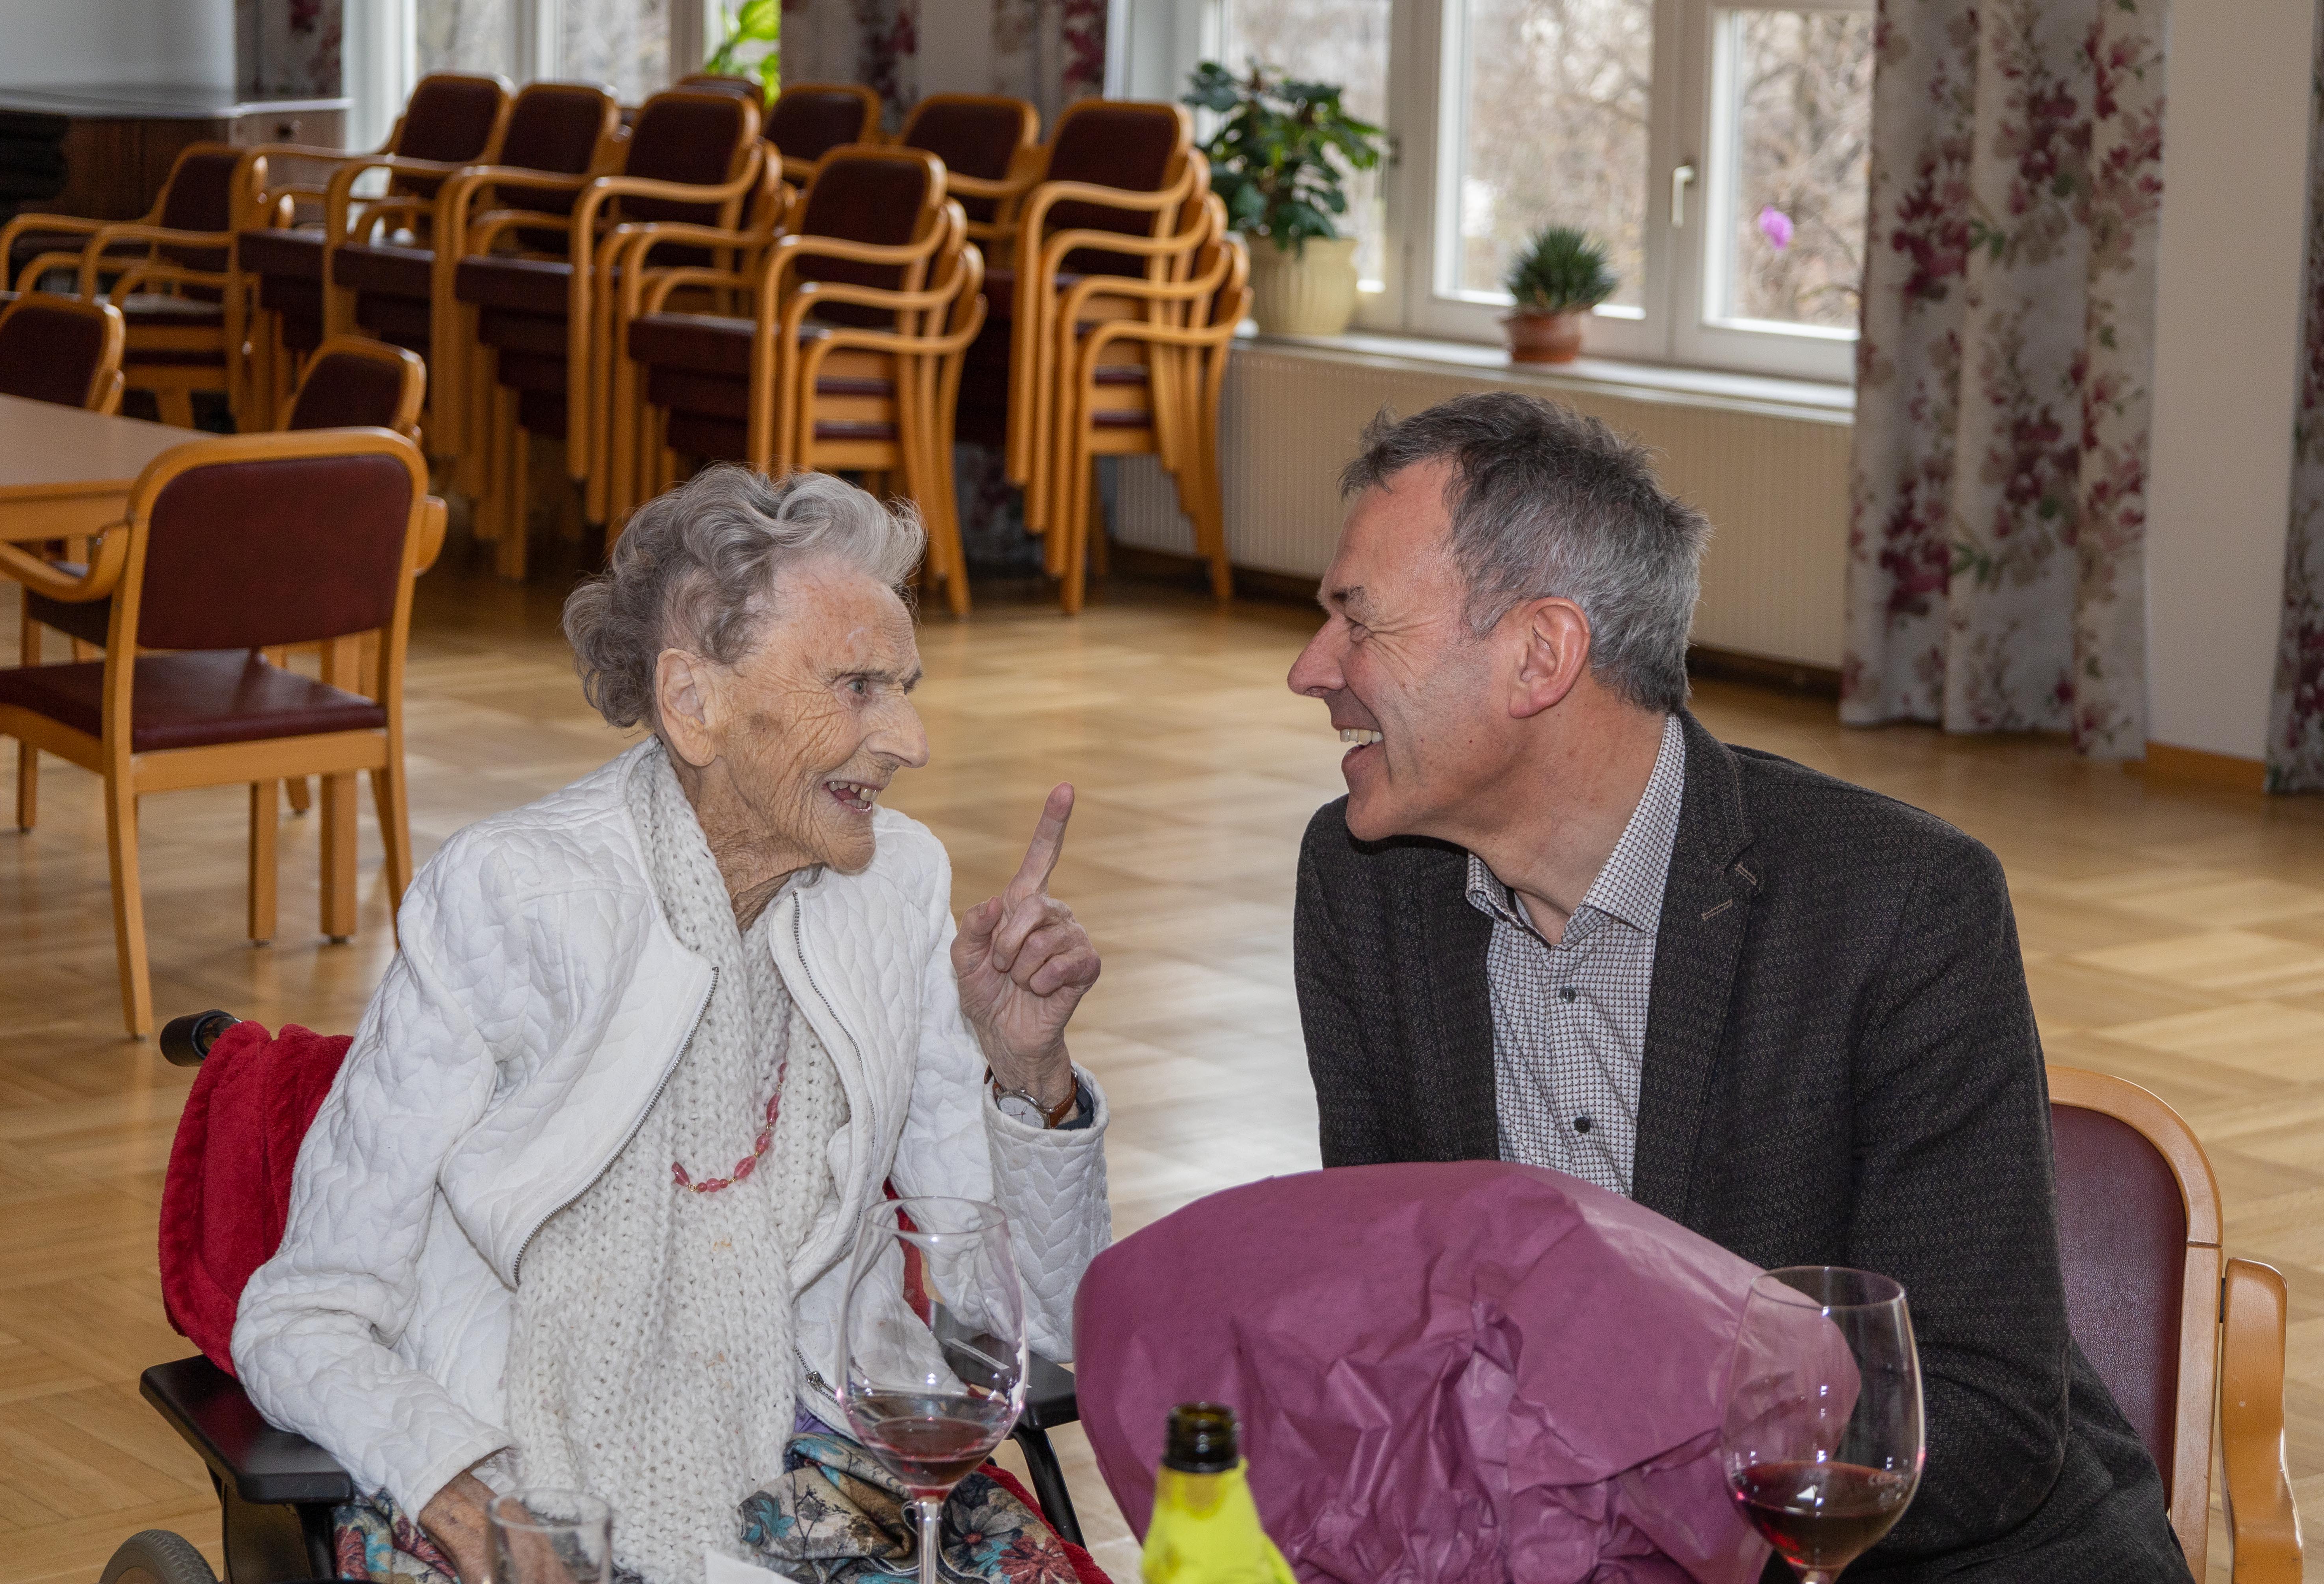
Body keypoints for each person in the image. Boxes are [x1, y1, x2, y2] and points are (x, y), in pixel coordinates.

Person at [1285, 392, 2189, 1582]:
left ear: (1540, 657)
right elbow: (1391, 1315)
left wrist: (1619, 1487)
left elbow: (1982, 1418)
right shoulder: (1364, 884)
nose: (1313, 670)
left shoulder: (1901, 903)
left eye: (1358, 621)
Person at [234, 468, 1111, 1584]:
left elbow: (1039, 1330)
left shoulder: (898, 889)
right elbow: (301, 1314)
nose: (911, 738)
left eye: (906, 685)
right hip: (517, 1453)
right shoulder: (511, 897)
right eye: (857, 687)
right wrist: (456, 1487)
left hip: (821, 1451)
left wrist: (1030, 1074)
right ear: (694, 703)